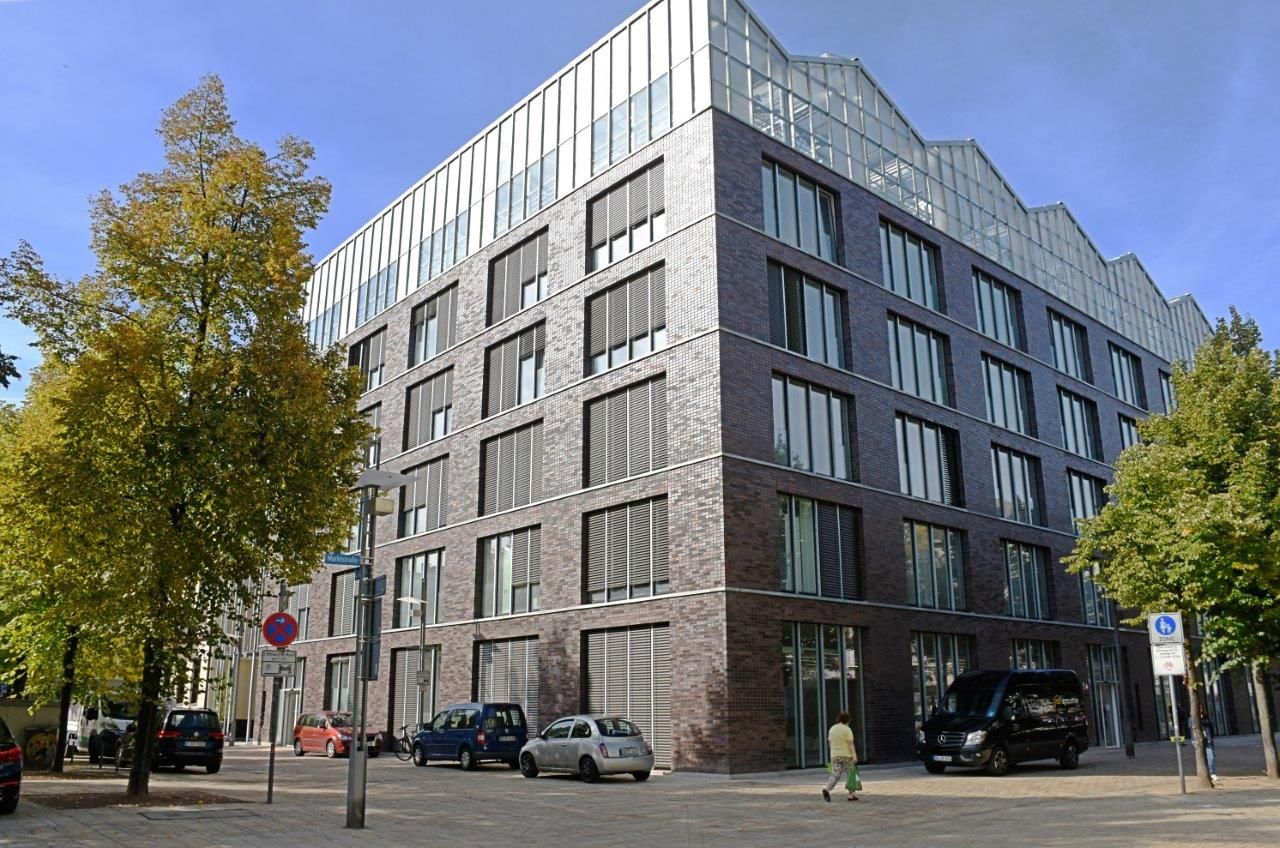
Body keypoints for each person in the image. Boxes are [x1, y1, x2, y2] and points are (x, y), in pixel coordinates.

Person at [822, 711, 859, 802]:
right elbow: (850, 744)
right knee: (851, 774)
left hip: (834, 755)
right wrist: (854, 755)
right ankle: (851, 795)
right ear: (847, 720)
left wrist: (832, 754)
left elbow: (830, 744)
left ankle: (827, 789)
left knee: (835, 774)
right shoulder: (847, 729)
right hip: (846, 755)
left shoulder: (832, 729)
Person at [1198, 705, 1218, 785]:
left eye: (1201, 710)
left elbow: (1210, 728)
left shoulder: (1206, 718)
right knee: (1209, 756)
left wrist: (1212, 737)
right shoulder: (1193, 719)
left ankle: (1212, 773)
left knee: (1211, 756)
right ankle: (1211, 773)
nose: (1201, 712)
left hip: (1209, 739)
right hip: (1201, 740)